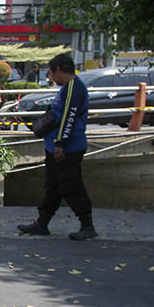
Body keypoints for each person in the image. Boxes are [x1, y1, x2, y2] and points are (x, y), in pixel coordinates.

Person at [17, 53, 96, 240]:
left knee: (72, 186)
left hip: (68, 148)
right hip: (55, 147)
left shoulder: (74, 88)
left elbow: (68, 118)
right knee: (53, 187)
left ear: (59, 70)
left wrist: (60, 144)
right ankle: (42, 223)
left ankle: (87, 225)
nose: (51, 77)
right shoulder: (67, 88)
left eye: (52, 73)